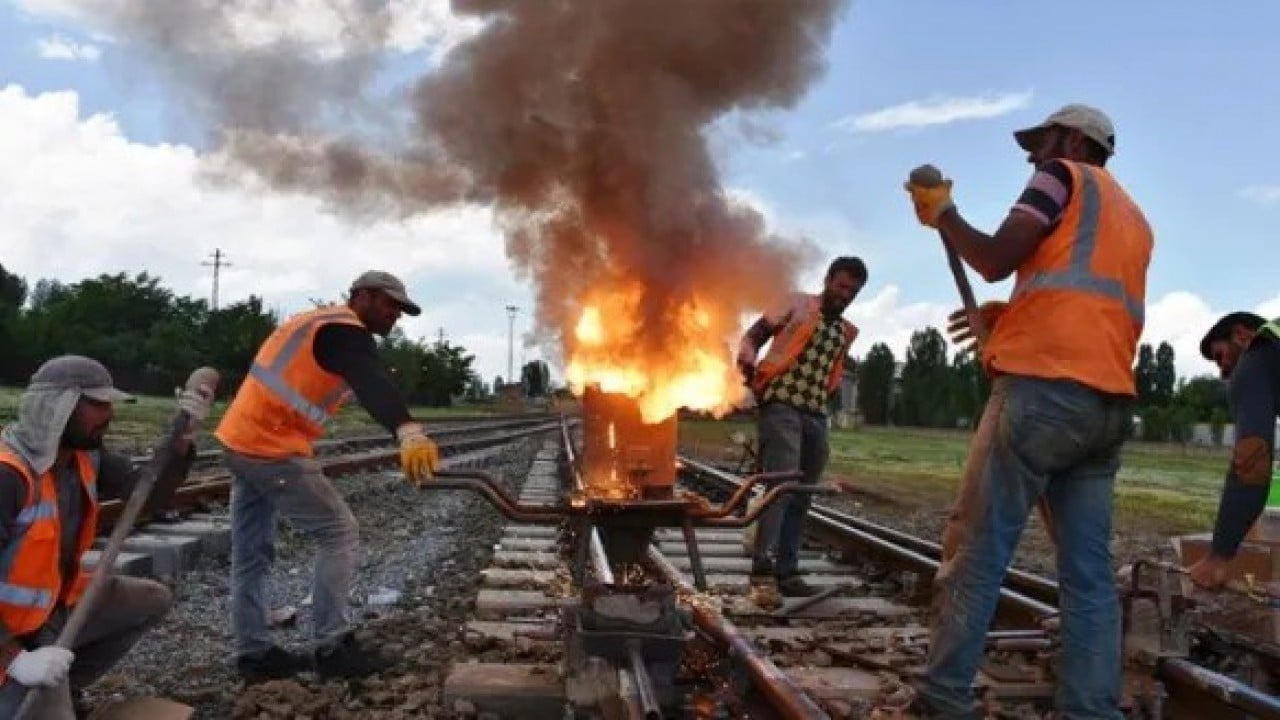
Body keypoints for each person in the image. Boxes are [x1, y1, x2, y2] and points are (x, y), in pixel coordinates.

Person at [903, 103, 1154, 719]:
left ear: (1074, 139)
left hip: (1041, 395)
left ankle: (942, 697)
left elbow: (993, 259)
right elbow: (1083, 303)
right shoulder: (1133, 217)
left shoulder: (1061, 176)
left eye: (1041, 142)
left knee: (978, 551)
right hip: (1106, 409)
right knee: (1089, 580)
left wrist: (945, 214)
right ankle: (1091, 711)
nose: (1033, 156)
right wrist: (1008, 317)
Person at [215, 270, 442, 683]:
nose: (396, 316)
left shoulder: (317, 325)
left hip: (241, 439)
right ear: (363, 297)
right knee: (339, 532)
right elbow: (372, 380)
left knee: (251, 554)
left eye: (401, 310)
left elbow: (366, 379)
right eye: (391, 305)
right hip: (272, 447)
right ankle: (331, 647)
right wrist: (407, 429)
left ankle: (254, 654)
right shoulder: (344, 330)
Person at [0, 355, 211, 719]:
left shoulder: (84, 457)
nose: (108, 415)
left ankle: (65, 683)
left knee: (150, 599)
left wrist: (179, 448)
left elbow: (147, 494)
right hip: (10, 632)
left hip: (50, 614)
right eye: (97, 404)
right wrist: (14, 659)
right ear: (57, 405)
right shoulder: (9, 475)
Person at [735, 256, 865, 605]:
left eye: (853, 290)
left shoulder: (844, 331)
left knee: (803, 494)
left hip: (815, 414)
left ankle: (787, 572)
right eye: (842, 286)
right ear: (827, 280)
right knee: (781, 488)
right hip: (781, 407)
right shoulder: (795, 304)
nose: (846, 294)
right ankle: (762, 573)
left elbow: (832, 374)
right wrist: (749, 376)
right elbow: (753, 337)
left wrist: (827, 399)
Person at [1187, 312, 1280, 589]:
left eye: (1220, 356)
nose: (1223, 370)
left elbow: (1252, 464)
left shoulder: (1256, 358)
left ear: (1241, 335)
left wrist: (1218, 557)